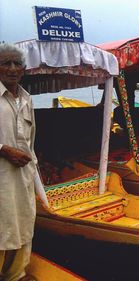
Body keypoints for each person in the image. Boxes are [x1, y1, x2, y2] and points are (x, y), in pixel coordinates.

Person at [0, 43, 37, 281]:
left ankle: (15, 274)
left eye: (17, 64)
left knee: (23, 223)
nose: (12, 68)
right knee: (2, 226)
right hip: (1, 176)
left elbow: (30, 141)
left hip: (23, 176)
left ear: (23, 69)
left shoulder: (26, 99)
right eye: (6, 63)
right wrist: (3, 149)